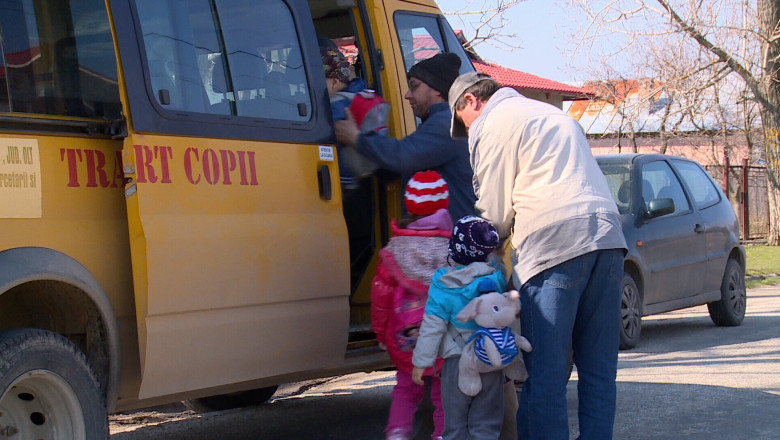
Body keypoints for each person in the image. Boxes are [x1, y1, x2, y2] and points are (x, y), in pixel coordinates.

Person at [448, 72, 628, 440]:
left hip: (554, 241)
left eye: (461, 121)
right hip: (608, 237)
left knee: (545, 374)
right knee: (598, 372)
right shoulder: (550, 114)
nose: (465, 131)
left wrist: (478, 260)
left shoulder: (492, 123)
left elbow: (493, 216)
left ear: (471, 101)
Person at [335, 52, 476, 221]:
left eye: (414, 86)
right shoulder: (440, 122)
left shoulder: (446, 123)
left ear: (437, 89)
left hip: (449, 241)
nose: (407, 95)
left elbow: (402, 156)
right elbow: (398, 167)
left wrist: (356, 138)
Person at [372, 170, 452, 440]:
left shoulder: (397, 247)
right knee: (444, 392)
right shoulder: (451, 246)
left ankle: (397, 433)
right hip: (444, 336)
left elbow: (381, 293)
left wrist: (381, 332)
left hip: (404, 336)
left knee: (406, 389)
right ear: (444, 204)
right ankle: (442, 434)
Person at [411, 215, 508, 439]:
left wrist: (422, 361)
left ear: (454, 250)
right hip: (490, 361)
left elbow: (432, 325)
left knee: (455, 426)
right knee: (486, 426)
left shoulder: (443, 283)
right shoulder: (496, 278)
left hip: (456, 362)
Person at [321, 46, 387, 189]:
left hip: (341, 179)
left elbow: (321, 134)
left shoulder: (338, 106)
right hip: (359, 177)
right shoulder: (360, 94)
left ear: (334, 82)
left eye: (320, 80)